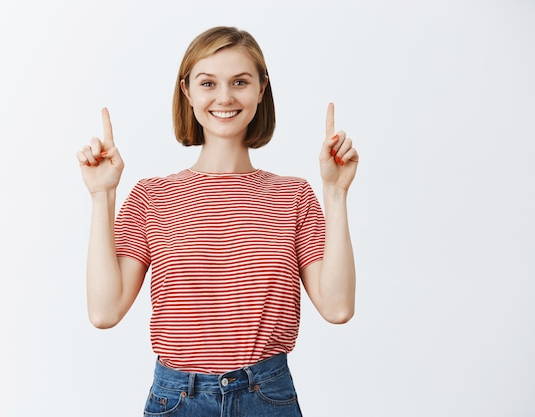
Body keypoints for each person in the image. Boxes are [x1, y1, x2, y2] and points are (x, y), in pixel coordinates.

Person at [76, 26, 358, 417]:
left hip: (267, 397)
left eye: (239, 82)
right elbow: (104, 312)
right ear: (187, 91)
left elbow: (338, 307)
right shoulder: (151, 197)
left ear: (261, 89)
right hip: (178, 400)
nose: (224, 97)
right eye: (208, 83)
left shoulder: (293, 196)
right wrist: (102, 195)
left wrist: (336, 192)